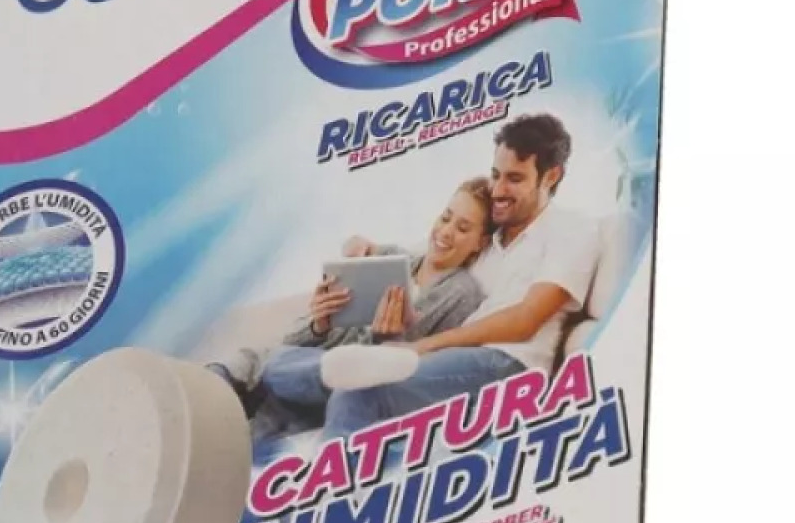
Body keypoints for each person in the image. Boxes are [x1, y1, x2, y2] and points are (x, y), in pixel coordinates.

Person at [322, 115, 600, 439]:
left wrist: (422, 347)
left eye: (514, 178)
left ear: (551, 176)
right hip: (460, 358)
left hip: (508, 364)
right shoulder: (487, 238)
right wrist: (363, 246)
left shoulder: (572, 229)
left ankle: (333, 465)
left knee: (360, 391)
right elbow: (423, 253)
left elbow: (526, 319)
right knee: (342, 383)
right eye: (495, 175)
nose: (498, 190)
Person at [216, 179, 493, 441]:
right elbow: (294, 340)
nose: (446, 232)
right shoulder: (391, 258)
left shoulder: (462, 294)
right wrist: (319, 324)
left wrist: (387, 340)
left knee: (270, 368)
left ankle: (329, 370)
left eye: (463, 228)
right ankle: (211, 395)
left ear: (480, 242)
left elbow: (423, 368)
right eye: (445, 218)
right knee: (254, 368)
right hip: (312, 368)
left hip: (353, 383)